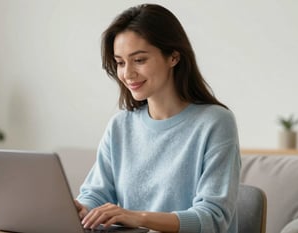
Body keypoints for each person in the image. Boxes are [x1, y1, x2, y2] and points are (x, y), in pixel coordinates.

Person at [75, 3, 240, 233]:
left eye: (139, 60)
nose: (127, 73)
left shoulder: (215, 122)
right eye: (120, 62)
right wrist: (80, 209)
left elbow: (212, 218)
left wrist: (138, 217)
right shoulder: (120, 126)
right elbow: (96, 194)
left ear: (173, 57)